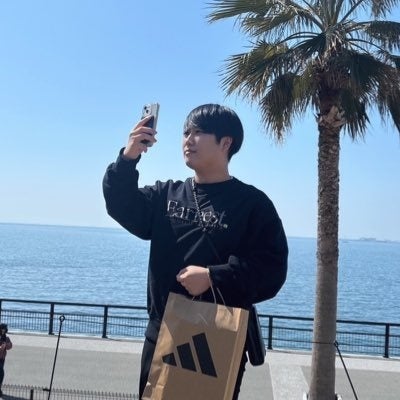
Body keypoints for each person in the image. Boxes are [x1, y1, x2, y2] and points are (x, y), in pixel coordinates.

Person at [103, 103, 288, 399]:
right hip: (164, 331)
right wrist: (128, 158)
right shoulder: (166, 195)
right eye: (185, 132)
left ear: (226, 142)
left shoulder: (253, 204)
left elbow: (272, 270)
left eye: (198, 132)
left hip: (219, 336)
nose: (188, 140)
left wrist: (213, 277)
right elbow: (120, 204)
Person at [0, 323, 12, 397]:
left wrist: (6, 345)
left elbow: (10, 346)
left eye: (4, 329)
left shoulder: (6, 338)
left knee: (0, 373)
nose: (3, 330)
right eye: (2, 329)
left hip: (2, 358)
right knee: (1, 372)